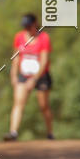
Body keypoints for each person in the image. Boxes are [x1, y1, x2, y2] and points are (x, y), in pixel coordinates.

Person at [4, 13, 54, 141]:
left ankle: (50, 133)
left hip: (41, 75)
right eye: (25, 27)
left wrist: (35, 79)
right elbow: (16, 57)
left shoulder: (44, 38)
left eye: (29, 26)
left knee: (43, 105)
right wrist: (14, 74)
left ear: (34, 25)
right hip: (24, 75)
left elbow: (44, 61)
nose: (27, 29)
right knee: (18, 102)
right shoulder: (19, 37)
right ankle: (13, 132)